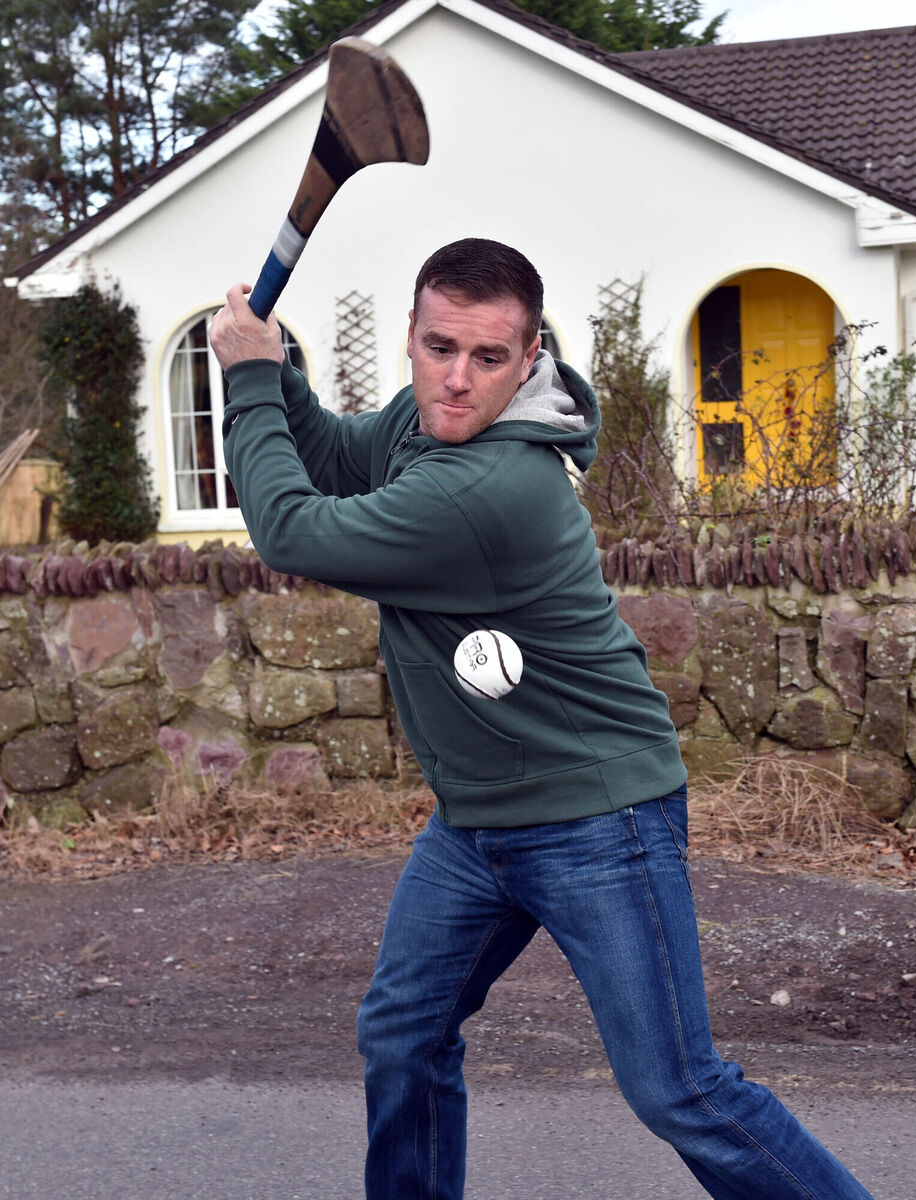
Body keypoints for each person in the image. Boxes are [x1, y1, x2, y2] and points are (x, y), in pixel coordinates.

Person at [209, 237, 875, 1200]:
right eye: (440, 348)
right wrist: (274, 362)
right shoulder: (424, 425)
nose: (456, 380)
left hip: (597, 821)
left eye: (487, 359)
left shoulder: (493, 489)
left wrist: (248, 381)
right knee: (404, 1033)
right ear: (411, 336)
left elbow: (292, 530)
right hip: (476, 823)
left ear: (529, 362)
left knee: (679, 1089)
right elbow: (333, 455)